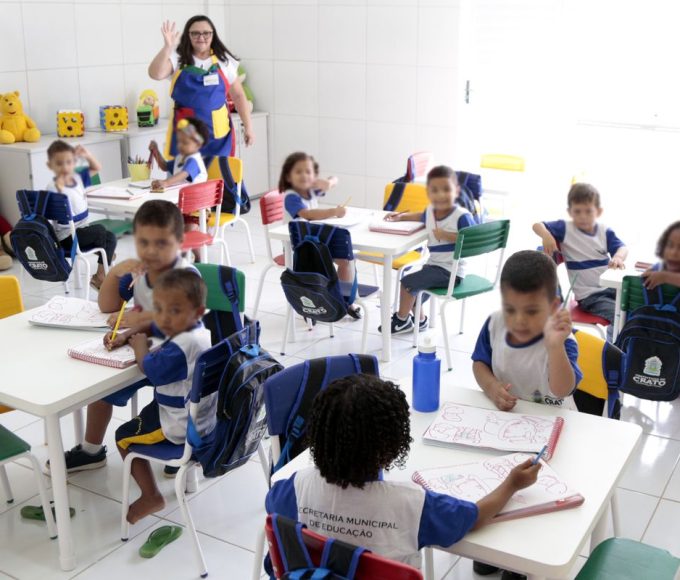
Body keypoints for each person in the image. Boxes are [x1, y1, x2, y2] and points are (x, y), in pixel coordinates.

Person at [265, 374, 540, 569]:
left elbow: (273, 505)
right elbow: (474, 517)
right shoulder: (411, 505)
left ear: (319, 438)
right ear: (391, 447)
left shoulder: (295, 487)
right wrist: (512, 484)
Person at [49, 200, 198, 474]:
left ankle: (176, 447)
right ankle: (91, 451)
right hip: (142, 353)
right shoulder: (141, 274)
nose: (151, 252)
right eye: (144, 243)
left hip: (173, 364)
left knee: (172, 400)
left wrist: (139, 321)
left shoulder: (185, 276)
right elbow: (107, 306)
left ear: (179, 242)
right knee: (100, 388)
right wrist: (117, 271)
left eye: (161, 243)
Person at [111, 269, 212, 523]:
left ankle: (151, 495)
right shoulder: (196, 328)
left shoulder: (182, 345)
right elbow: (155, 325)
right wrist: (126, 335)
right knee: (145, 414)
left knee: (122, 437)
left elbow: (151, 370)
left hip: (178, 424)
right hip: (199, 414)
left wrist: (139, 347)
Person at [472, 250, 582, 412]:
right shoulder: (494, 323)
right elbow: (480, 364)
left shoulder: (562, 340)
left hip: (552, 418)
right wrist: (491, 387)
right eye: (510, 309)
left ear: (553, 306)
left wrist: (555, 347)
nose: (519, 320)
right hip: (506, 415)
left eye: (531, 311)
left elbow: (562, 391)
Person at [148, 16, 254, 171]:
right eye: (195, 33)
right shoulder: (178, 58)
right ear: (188, 35)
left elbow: (238, 96)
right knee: (185, 177)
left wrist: (248, 127)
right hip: (186, 136)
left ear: (213, 35)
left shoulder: (224, 61)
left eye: (206, 33)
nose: (201, 37)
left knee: (219, 178)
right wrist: (167, 47)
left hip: (218, 137)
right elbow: (155, 74)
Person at [381, 165, 476, 334]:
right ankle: (421, 321)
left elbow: (473, 239)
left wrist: (447, 235)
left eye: (446, 189)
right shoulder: (431, 211)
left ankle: (402, 320)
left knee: (408, 284)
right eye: (435, 190)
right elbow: (421, 216)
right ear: (428, 192)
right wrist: (401, 217)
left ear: (456, 190)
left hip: (451, 272)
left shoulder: (461, 216)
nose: (440, 195)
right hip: (434, 265)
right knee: (413, 292)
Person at [532, 183, 628, 340]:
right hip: (590, 296)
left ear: (598, 211)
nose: (583, 216)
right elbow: (537, 225)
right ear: (570, 212)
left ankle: (620, 343)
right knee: (619, 316)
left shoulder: (604, 231)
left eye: (588, 211)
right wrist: (546, 235)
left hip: (613, 288)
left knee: (633, 308)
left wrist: (618, 257)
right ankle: (613, 349)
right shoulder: (565, 229)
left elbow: (622, 248)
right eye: (577, 211)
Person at [280, 151, 360, 319]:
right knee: (345, 258)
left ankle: (344, 301)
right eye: (298, 172)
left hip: (317, 243)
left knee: (346, 261)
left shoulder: (310, 191)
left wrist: (328, 182)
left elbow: (335, 180)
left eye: (308, 172)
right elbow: (307, 214)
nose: (304, 175)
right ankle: (337, 301)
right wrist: (333, 212)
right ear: (288, 176)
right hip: (299, 247)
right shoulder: (291, 196)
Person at [45, 140, 117, 289]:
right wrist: (60, 186)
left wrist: (87, 155)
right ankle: (106, 255)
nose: (65, 167)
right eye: (59, 164)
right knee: (100, 231)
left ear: (74, 162)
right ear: (50, 166)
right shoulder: (53, 186)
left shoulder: (77, 179)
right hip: (67, 238)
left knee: (111, 237)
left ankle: (99, 276)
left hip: (82, 232)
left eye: (69, 162)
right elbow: (54, 204)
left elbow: (97, 167)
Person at [148, 118, 209, 191]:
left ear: (198, 145)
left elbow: (184, 174)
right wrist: (156, 151)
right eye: (178, 141)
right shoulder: (180, 158)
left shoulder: (194, 160)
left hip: (194, 197)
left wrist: (166, 182)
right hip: (181, 195)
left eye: (185, 143)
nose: (180, 145)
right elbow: (165, 166)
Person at [642, 220, 680, 289]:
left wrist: (665, 277)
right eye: (670, 245)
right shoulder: (657, 268)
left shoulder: (661, 275)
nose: (673, 252)